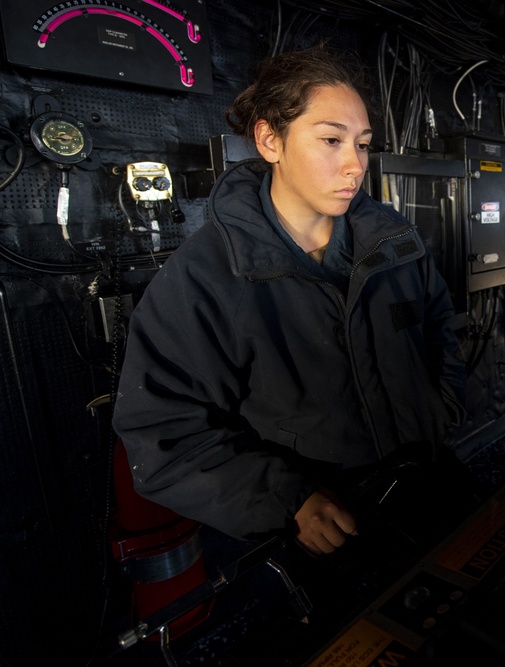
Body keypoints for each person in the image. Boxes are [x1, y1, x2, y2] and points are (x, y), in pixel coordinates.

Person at [111, 45, 469, 560]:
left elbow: (437, 328)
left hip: (429, 492)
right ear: (269, 139)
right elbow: (162, 431)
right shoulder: (205, 277)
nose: (354, 165)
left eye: (363, 145)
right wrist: (289, 500)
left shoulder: (394, 244)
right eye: (331, 140)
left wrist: (443, 412)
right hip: (319, 536)